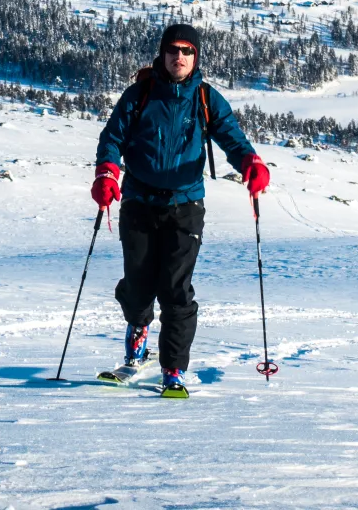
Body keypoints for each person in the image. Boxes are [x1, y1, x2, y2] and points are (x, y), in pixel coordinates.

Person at [92, 23, 270, 397]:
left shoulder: (206, 98)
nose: (179, 56)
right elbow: (112, 137)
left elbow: (231, 138)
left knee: (175, 289)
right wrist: (108, 173)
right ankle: (137, 344)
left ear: (196, 56)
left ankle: (172, 367)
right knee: (138, 285)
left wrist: (251, 164)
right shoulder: (140, 94)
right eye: (173, 49)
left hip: (185, 205)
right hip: (139, 200)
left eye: (187, 50)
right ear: (163, 53)